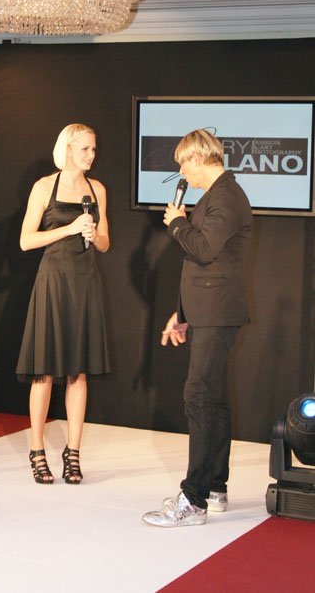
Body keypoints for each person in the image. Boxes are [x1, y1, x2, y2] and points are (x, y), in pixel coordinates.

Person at [142, 129, 252, 527]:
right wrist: (182, 313)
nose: (182, 172)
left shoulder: (226, 197)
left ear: (200, 157)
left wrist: (177, 223)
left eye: (183, 163)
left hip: (218, 312)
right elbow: (207, 263)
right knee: (214, 400)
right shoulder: (216, 196)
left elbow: (203, 250)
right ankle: (215, 486)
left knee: (199, 397)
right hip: (209, 310)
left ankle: (193, 500)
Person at [16, 123, 111, 484]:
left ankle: (73, 452)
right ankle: (37, 450)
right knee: (43, 371)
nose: (91, 155)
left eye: (93, 149)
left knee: (78, 371)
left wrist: (94, 235)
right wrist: (69, 229)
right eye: (85, 149)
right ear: (68, 149)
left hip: (85, 282)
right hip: (53, 281)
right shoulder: (44, 187)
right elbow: (26, 240)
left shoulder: (97, 189)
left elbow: (106, 243)